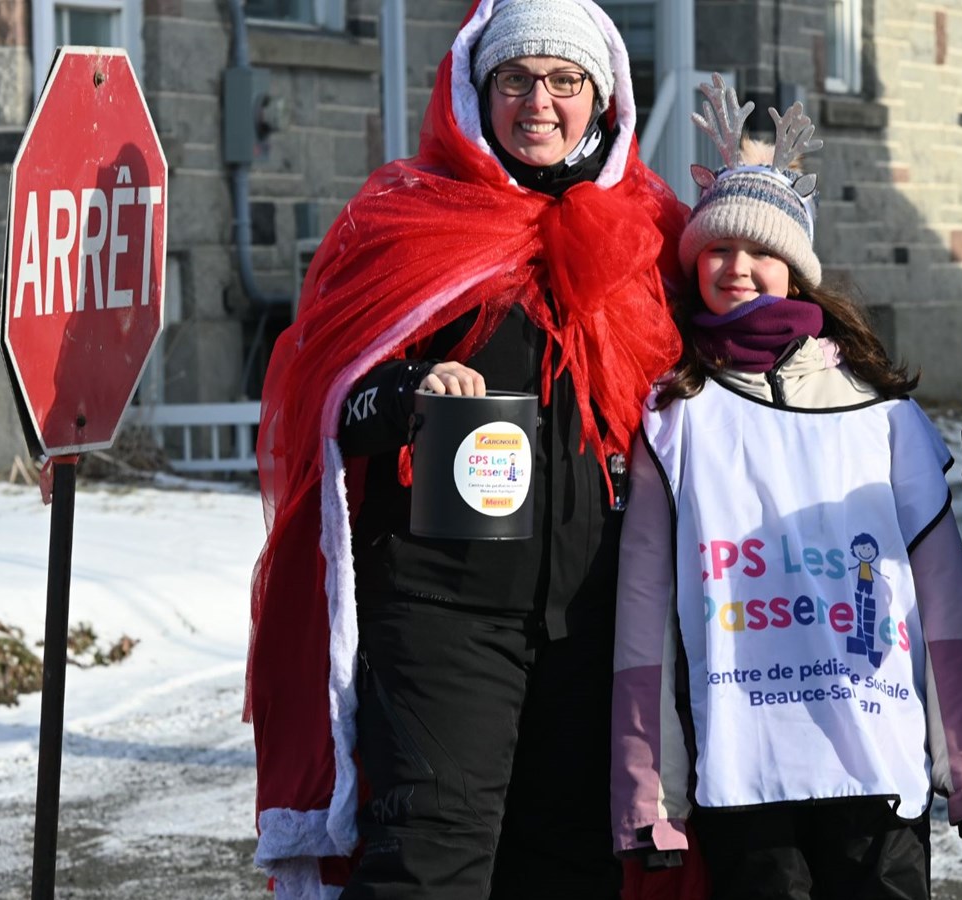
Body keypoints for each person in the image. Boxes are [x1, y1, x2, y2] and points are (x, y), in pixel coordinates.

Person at [246, 1, 688, 896]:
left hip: (597, 615)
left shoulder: (654, 233)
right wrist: (405, 395)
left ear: (602, 99)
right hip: (441, 606)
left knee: (569, 864)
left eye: (565, 80)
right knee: (430, 860)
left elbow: (730, 363)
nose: (539, 100)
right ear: (475, 92)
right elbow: (325, 397)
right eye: (516, 78)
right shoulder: (404, 218)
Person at [613, 75, 962, 900]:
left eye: (760, 250)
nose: (736, 267)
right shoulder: (675, 418)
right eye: (718, 249)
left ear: (795, 271)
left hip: (875, 767)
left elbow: (943, 604)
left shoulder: (883, 414)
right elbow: (643, 617)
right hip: (745, 770)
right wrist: (649, 793)